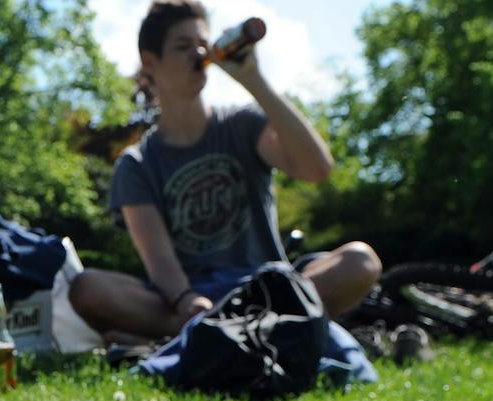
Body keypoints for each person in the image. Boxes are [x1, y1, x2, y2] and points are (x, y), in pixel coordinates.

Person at [69, 3, 382, 343]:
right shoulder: (137, 164)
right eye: (183, 46)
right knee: (88, 288)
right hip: (189, 301)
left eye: (202, 43)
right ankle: (255, 326)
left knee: (359, 262)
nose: (199, 53)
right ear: (150, 61)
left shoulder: (243, 125)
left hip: (270, 287)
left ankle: (209, 334)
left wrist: (255, 81)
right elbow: (158, 259)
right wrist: (185, 298)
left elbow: (317, 168)